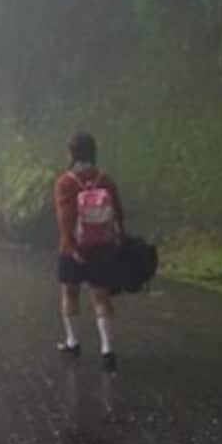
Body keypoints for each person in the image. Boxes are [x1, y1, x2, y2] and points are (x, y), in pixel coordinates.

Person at [55, 131, 127, 371]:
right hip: (103, 246)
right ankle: (107, 350)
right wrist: (119, 238)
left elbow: (64, 217)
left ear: (71, 153)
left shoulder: (65, 181)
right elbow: (118, 212)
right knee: (101, 297)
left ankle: (73, 342)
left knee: (70, 293)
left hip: (73, 247)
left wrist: (70, 246)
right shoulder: (105, 179)